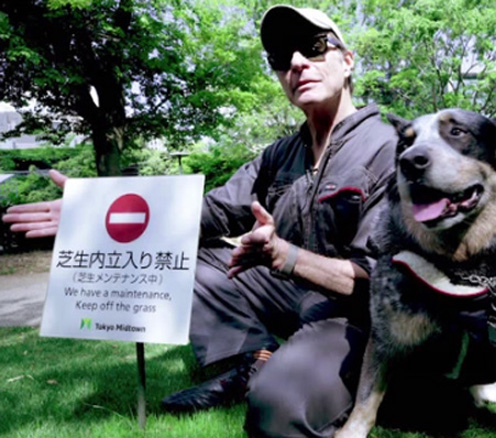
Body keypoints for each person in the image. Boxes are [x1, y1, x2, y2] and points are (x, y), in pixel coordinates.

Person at [3, 5, 397, 437]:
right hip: (291, 292)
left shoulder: (389, 148)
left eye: (314, 47)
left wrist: (285, 256)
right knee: (183, 252)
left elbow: (379, 281)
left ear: (348, 60)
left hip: (356, 313)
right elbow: (206, 212)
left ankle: (362, 384)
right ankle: (251, 360)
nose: (298, 63)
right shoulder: (280, 154)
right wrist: (95, 211)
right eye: (282, 57)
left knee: (276, 409)